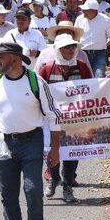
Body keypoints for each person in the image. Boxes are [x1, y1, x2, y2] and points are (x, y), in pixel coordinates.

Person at [0, 42, 61, 220]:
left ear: (16, 59)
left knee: (33, 190)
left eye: (2, 56)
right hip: (6, 143)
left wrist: (55, 149)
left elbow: (54, 115)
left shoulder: (36, 82)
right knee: (8, 194)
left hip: (32, 142)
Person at [38, 33, 92, 203]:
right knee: (52, 151)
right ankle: (54, 178)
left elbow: (92, 88)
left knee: (72, 153)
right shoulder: (47, 68)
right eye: (66, 47)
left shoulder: (82, 66)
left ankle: (67, 185)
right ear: (58, 50)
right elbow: (38, 90)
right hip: (52, 120)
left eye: (73, 47)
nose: (70, 50)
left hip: (75, 119)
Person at [75, 0, 110, 76]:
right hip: (83, 53)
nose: (83, 11)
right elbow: (75, 35)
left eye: (85, 10)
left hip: (100, 53)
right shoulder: (79, 19)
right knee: (84, 77)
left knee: (99, 76)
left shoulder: (105, 20)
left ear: (93, 10)